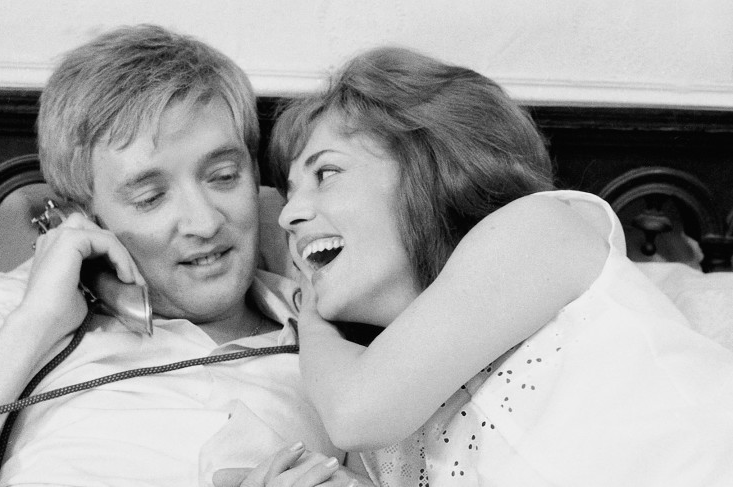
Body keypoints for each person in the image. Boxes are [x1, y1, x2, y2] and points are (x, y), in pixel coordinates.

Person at [0, 24, 361, 487]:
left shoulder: (336, 330)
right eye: (150, 198)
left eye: (224, 177)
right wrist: (34, 326)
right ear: (82, 217)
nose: (205, 222)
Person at [250, 46, 733, 486]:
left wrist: (308, 310)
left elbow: (355, 413)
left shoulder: (537, 229)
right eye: (289, 193)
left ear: (431, 165)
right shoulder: (389, 433)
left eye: (326, 172)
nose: (288, 215)